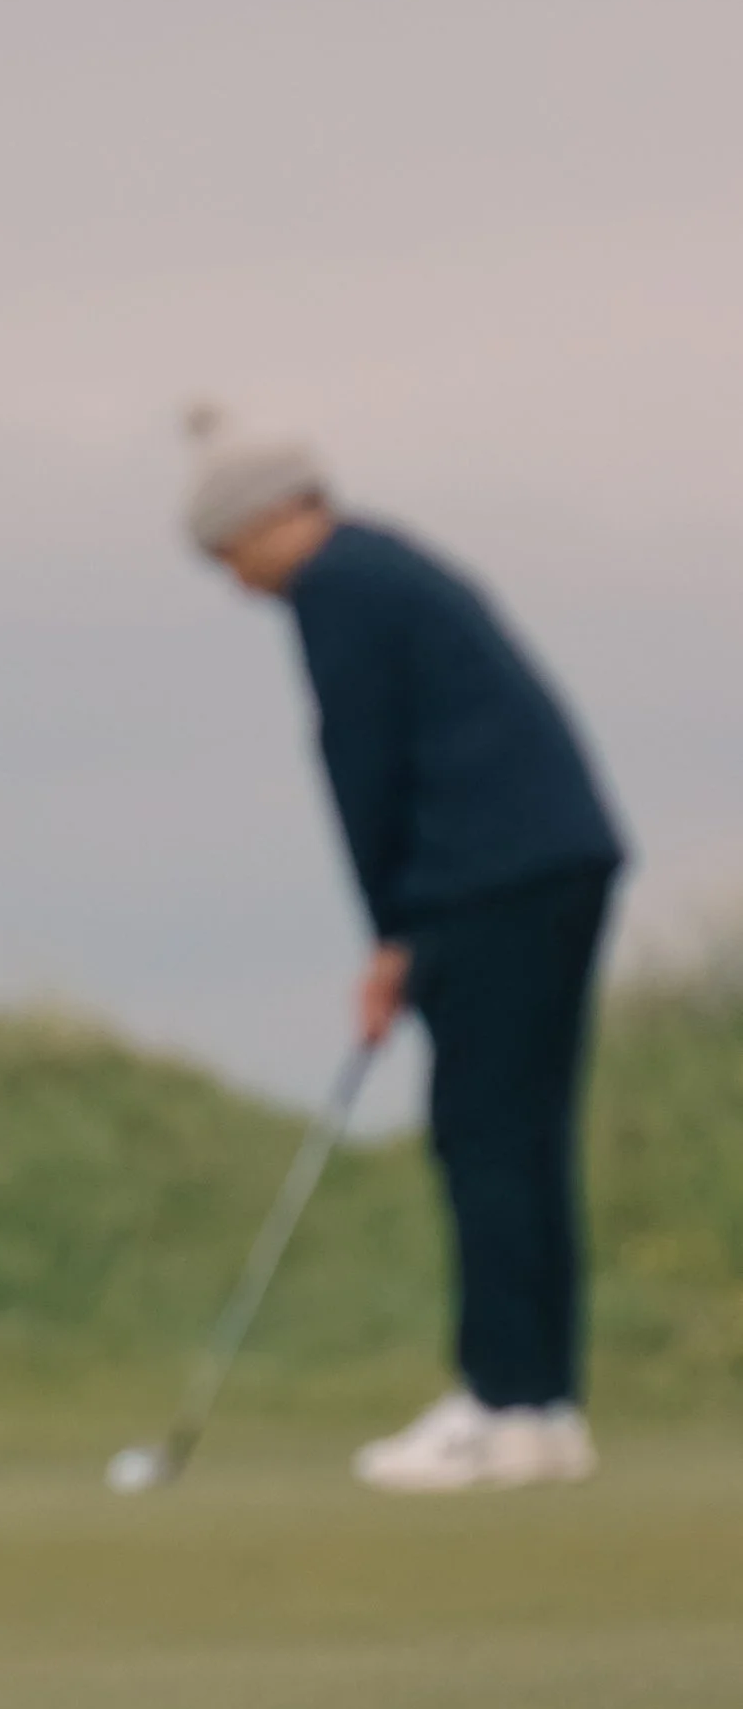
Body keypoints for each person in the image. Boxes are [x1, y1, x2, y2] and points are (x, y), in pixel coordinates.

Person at [183, 410, 625, 1492]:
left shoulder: (337, 586)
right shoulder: (384, 568)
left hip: (489, 879)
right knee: (520, 1138)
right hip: (545, 864)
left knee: (483, 1138)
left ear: (272, 519)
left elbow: (365, 768)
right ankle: (542, 1408)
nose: (234, 582)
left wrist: (390, 936)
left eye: (228, 554)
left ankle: (503, 1405)